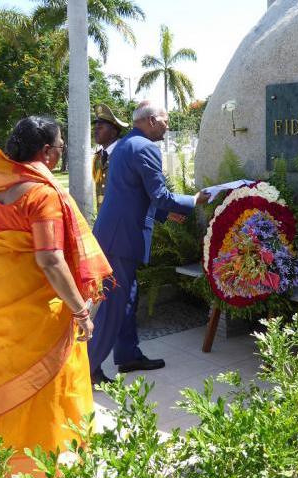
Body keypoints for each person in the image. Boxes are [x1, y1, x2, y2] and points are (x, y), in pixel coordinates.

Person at [0, 116, 113, 477]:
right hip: (35, 305)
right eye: (60, 147)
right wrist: (79, 311)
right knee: (49, 381)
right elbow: (49, 258)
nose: (61, 152)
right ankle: (47, 463)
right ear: (46, 152)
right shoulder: (41, 194)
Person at [88, 101, 210, 385]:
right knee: (114, 305)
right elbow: (160, 195)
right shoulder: (145, 147)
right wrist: (193, 201)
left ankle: (128, 355)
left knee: (127, 299)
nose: (168, 126)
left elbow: (135, 190)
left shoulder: (128, 144)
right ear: (152, 120)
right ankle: (89, 368)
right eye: (166, 121)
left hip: (116, 234)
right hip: (121, 239)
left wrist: (168, 214)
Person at [92, 103, 129, 211]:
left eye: (100, 127)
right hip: (103, 218)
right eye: (95, 127)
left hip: (123, 218)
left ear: (113, 132)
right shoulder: (98, 157)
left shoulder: (125, 154)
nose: (95, 130)